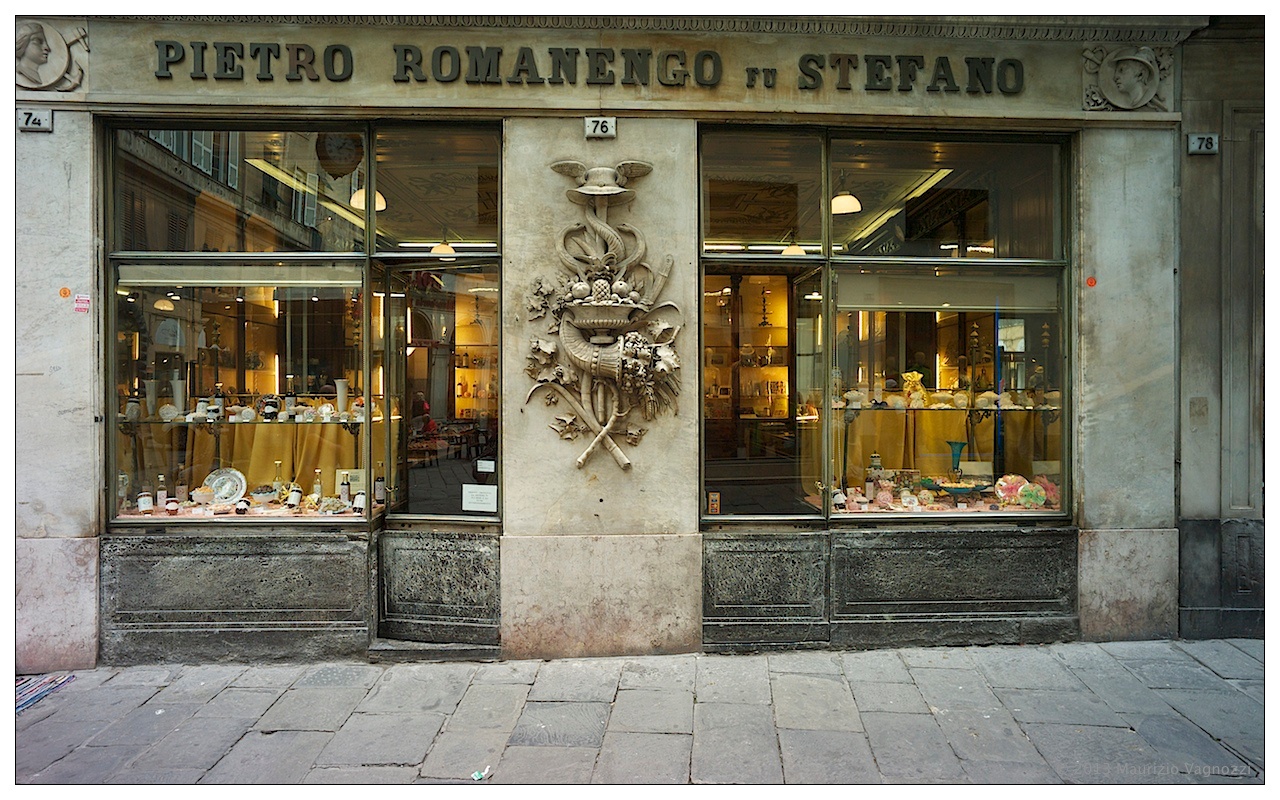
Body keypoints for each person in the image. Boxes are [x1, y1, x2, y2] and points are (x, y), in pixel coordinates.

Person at [16, 22, 50, 86]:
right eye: (38, 41)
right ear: (22, 44)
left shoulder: (36, 74)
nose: (47, 48)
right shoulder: (21, 71)